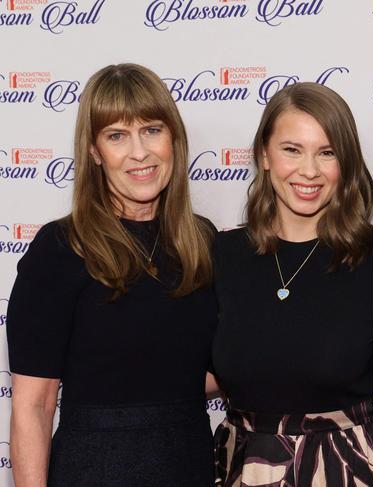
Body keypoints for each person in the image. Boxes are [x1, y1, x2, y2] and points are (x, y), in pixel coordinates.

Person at [7, 63, 218, 487]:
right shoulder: (60, 248)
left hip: (189, 463)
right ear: (94, 151)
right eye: (117, 135)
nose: (139, 152)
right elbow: (34, 405)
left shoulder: (203, 240)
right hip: (94, 469)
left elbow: (206, 372)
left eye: (152, 130)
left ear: (174, 137)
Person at [211, 82, 373, 486]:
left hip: (347, 468)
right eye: (291, 149)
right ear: (264, 154)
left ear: (345, 163)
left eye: (327, 152)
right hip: (242, 466)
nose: (309, 171)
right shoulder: (223, 254)